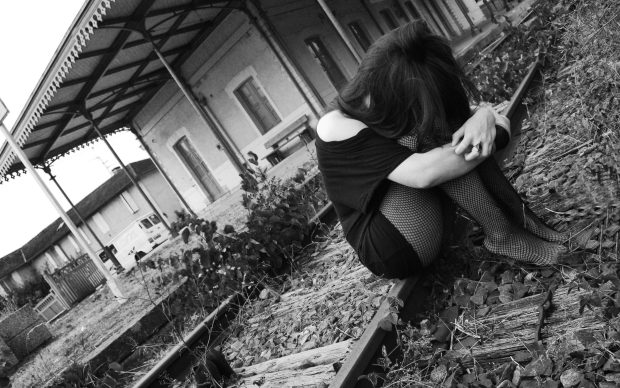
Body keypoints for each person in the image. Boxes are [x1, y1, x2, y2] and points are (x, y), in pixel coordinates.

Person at [315, 21, 566, 279]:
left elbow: (481, 123)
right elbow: (426, 172)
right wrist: (484, 130)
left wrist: (484, 118)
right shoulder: (335, 124)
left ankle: (518, 221)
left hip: (427, 218)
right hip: (391, 244)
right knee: (432, 133)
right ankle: (502, 234)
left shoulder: (395, 102)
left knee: (442, 123)